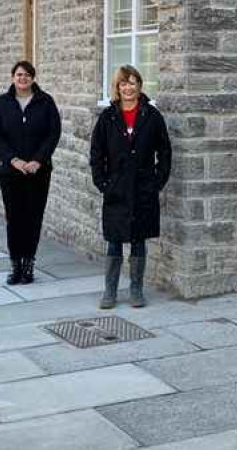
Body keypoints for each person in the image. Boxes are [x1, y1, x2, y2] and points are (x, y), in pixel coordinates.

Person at [90, 65, 171, 309]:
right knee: (114, 240)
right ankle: (110, 292)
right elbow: (96, 153)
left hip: (143, 188)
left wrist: (157, 181)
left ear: (140, 86)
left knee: (138, 240)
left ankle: (136, 290)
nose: (128, 88)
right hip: (116, 188)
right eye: (123, 83)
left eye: (132, 83)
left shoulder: (152, 115)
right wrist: (103, 182)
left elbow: (165, 151)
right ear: (118, 87)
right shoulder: (108, 117)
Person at [0, 61, 62, 286]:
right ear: (12, 78)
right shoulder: (2, 103)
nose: (23, 78)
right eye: (19, 75)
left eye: (27, 75)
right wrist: (14, 160)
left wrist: (38, 160)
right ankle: (15, 265)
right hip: (10, 172)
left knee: (33, 218)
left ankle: (29, 264)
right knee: (14, 219)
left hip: (38, 172)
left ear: (33, 78)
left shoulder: (45, 102)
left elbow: (53, 133)